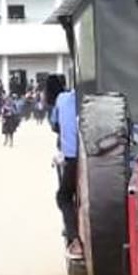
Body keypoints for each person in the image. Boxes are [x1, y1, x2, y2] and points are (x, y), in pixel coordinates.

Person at [51, 88, 82, 258]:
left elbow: (55, 125)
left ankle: (75, 241)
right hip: (103, 157)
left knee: (63, 196)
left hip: (73, 159)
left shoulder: (62, 98)